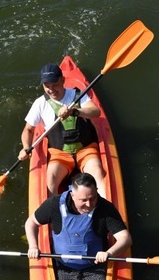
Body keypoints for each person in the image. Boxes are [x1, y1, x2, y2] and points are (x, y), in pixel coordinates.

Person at [25, 172, 132, 280]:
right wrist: (33, 246)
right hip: (65, 268)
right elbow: (31, 222)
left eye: (92, 198)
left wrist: (109, 253)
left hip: (95, 267)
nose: (89, 204)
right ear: (72, 194)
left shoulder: (105, 209)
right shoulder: (54, 205)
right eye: (83, 200)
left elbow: (125, 238)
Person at [19, 63, 105, 196]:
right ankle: (53, 213)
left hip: (86, 150)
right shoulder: (40, 103)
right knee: (50, 179)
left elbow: (95, 111)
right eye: (47, 86)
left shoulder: (77, 95)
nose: (51, 90)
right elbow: (28, 130)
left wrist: (74, 111)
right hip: (60, 155)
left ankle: (105, 209)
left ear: (63, 81)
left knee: (97, 173)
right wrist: (25, 147)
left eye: (55, 85)